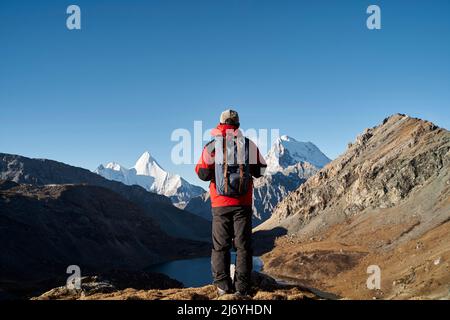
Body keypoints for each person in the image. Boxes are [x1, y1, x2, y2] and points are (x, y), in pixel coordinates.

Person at [195, 109, 267, 296]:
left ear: (220, 124)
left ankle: (222, 287)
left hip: (220, 204)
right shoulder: (248, 145)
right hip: (242, 203)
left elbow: (202, 173)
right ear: (238, 125)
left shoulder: (212, 146)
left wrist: (217, 173)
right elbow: (261, 170)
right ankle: (242, 288)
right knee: (243, 246)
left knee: (220, 246)